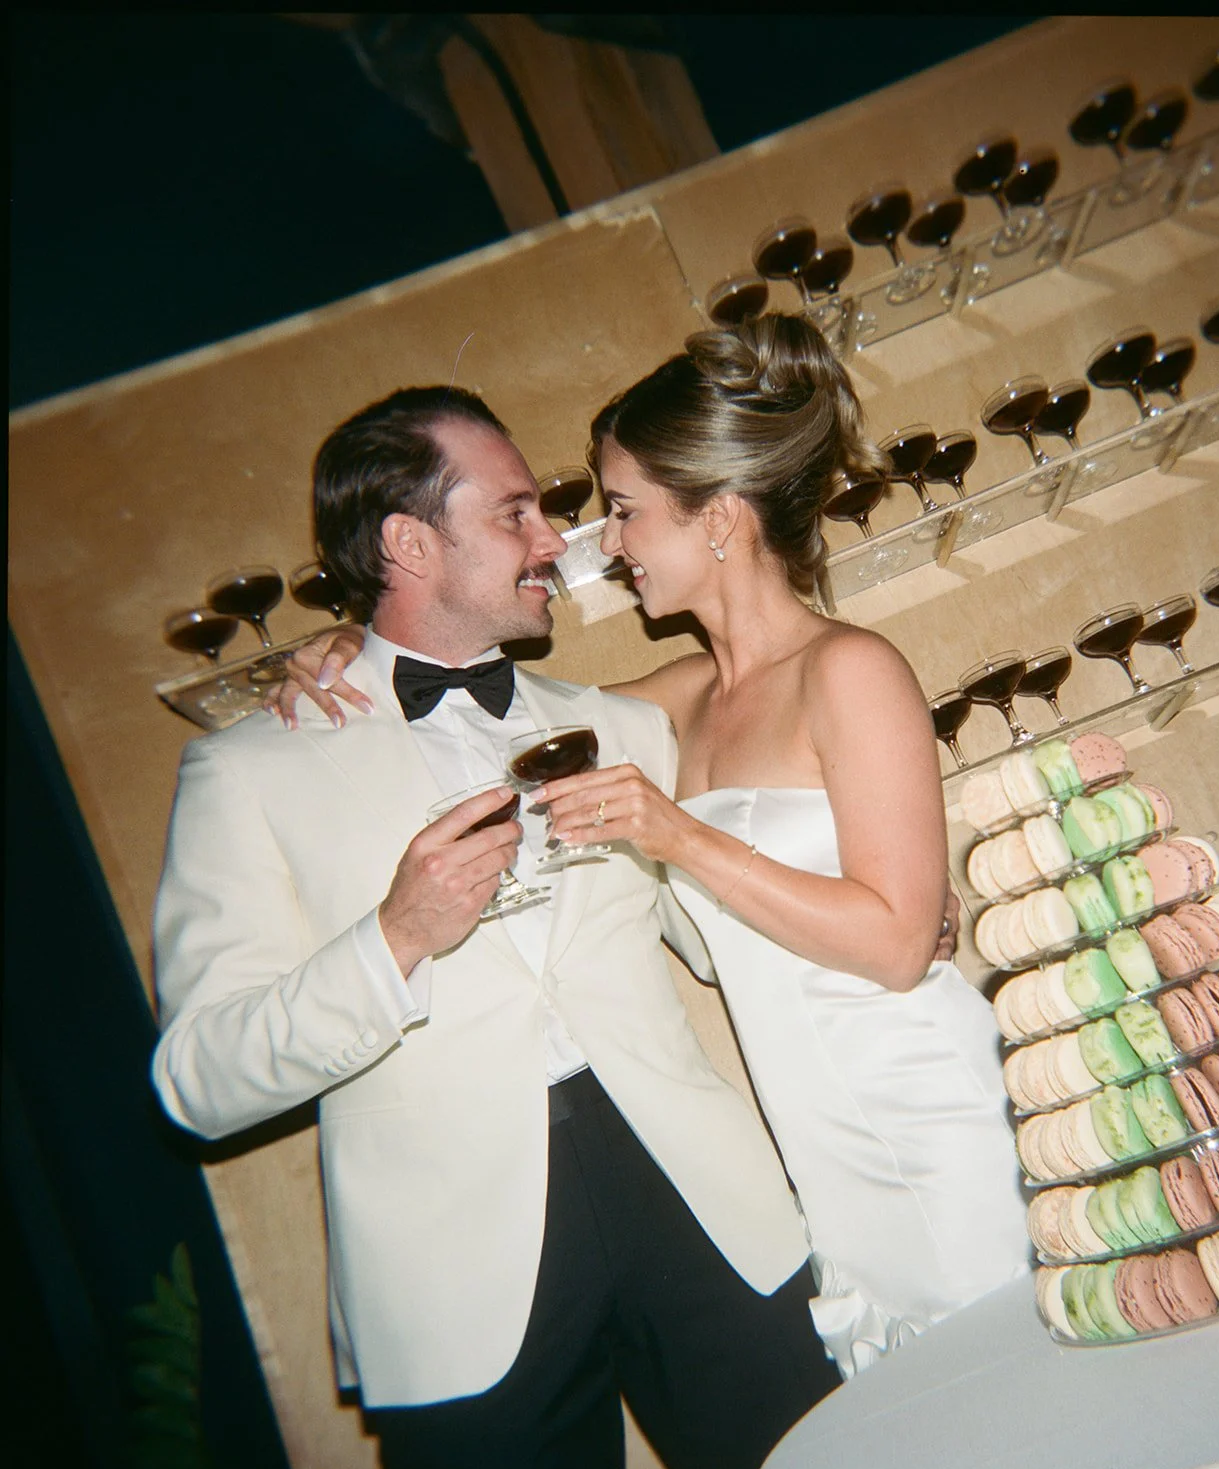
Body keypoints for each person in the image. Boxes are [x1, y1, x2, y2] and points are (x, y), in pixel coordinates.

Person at [149, 385, 842, 1469]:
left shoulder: (621, 725)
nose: (553, 542)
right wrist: (394, 937)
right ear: (409, 545)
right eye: (517, 511)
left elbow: (733, 931)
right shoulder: (248, 770)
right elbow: (196, 1082)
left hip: (708, 1213)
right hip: (453, 1279)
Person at [286, 316, 1032, 1382]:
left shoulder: (851, 670)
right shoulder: (678, 698)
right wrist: (347, 651)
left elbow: (902, 941)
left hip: (921, 1108)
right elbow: (478, 717)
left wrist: (675, 833)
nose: (608, 543)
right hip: (815, 1145)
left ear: (721, 518)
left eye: (626, 511)